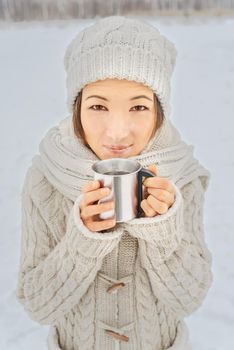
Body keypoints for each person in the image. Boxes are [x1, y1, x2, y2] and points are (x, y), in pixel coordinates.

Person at [16, 15, 213, 350]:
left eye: (138, 106)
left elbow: (189, 300)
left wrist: (162, 231)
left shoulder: (182, 178)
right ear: (76, 108)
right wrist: (84, 239)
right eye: (98, 106)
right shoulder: (44, 180)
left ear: (159, 111)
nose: (118, 132)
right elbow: (38, 306)